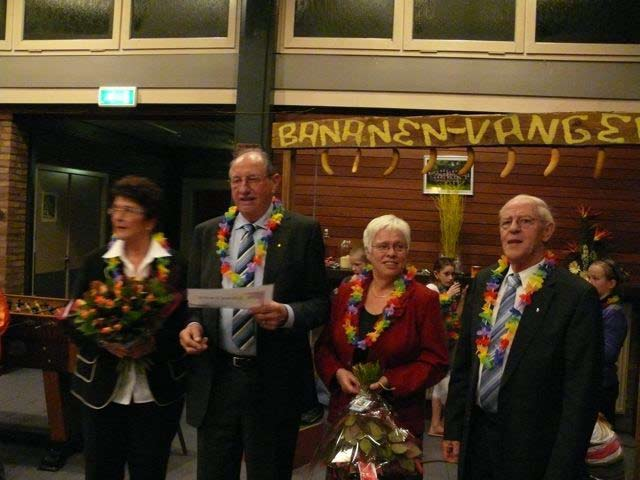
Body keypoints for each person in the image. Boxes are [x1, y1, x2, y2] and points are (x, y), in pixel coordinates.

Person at [179, 147, 329, 480]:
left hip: (272, 379)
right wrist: (190, 325)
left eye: (252, 180)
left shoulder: (301, 232)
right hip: (218, 379)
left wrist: (287, 313)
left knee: (270, 472)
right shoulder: (207, 232)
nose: (243, 189)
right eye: (236, 181)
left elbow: (320, 303)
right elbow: (194, 301)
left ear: (274, 182)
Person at [442, 194, 603, 480]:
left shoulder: (574, 296)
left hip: (533, 447)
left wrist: (563, 465)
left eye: (525, 221)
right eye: (506, 223)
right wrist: (453, 427)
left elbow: (582, 392)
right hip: (478, 437)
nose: (513, 228)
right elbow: (465, 363)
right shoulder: (484, 282)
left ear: (547, 231)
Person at [70, 176, 187, 480]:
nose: (118, 216)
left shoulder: (175, 267)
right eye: (115, 209)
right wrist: (105, 341)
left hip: (155, 392)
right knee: (100, 470)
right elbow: (73, 319)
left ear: (150, 221)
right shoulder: (96, 263)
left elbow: (188, 323)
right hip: (101, 390)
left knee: (149, 470)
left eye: (128, 209)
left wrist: (153, 345)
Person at [315, 214, 449, 440]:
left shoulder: (422, 299)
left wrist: (391, 381)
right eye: (383, 246)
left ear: (407, 252)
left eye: (399, 246)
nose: (391, 253)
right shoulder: (347, 293)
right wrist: (337, 373)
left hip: (398, 421)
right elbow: (325, 348)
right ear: (368, 251)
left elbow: (436, 361)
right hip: (346, 415)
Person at [426, 257, 466, 437]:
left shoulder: (448, 292)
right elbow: (430, 310)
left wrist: (462, 298)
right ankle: (438, 423)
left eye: (453, 274)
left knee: (443, 382)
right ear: (436, 274)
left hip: (449, 340)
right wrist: (448, 296)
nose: (450, 277)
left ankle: (438, 423)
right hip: (436, 341)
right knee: (443, 382)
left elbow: (455, 318)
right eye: (446, 274)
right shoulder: (432, 289)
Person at [586, 259, 628, 428]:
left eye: (595, 278)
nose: (589, 282)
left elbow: (608, 353)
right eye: (588, 277)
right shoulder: (593, 305)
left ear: (611, 283)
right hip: (589, 382)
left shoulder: (613, 312)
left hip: (602, 385)